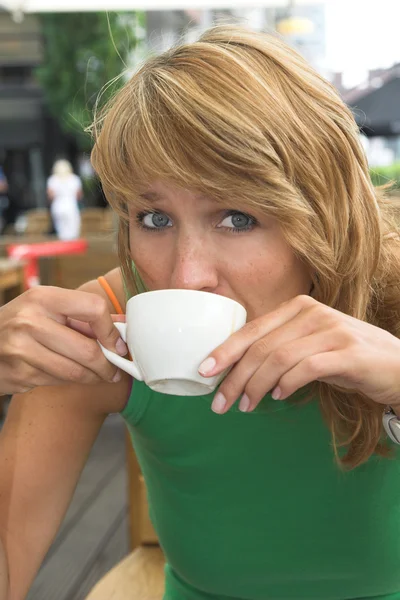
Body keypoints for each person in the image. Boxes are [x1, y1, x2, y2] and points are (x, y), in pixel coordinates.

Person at [1, 24, 400, 600]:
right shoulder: (102, 330)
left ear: (327, 215)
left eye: (237, 217)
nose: (187, 275)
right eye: (155, 219)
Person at [47, 159, 83, 240]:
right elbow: (79, 195)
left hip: (57, 206)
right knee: (73, 230)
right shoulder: (75, 179)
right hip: (71, 205)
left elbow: (50, 196)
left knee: (61, 230)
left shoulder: (52, 180)